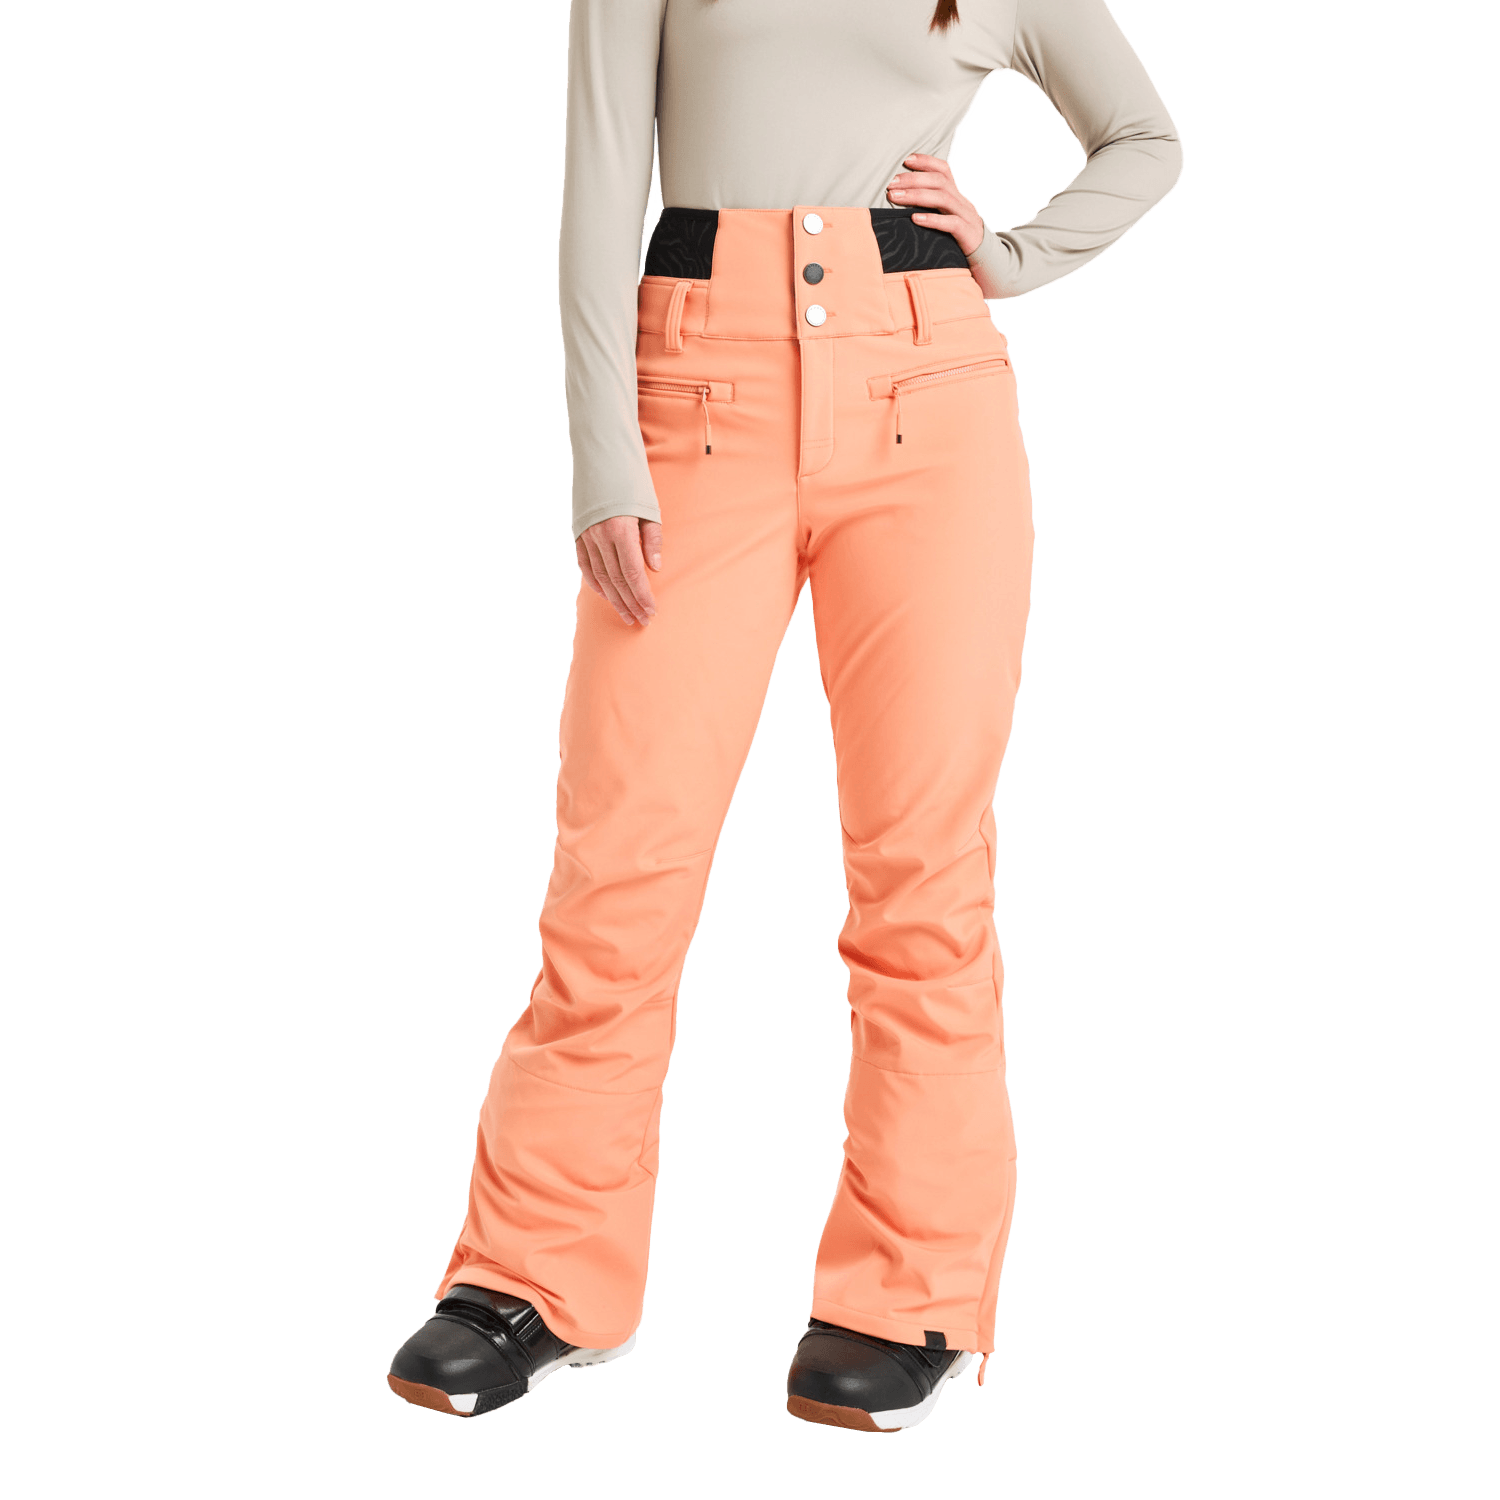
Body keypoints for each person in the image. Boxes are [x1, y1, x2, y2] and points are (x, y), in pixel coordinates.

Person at [388, 0, 1183, 1434]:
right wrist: (602, 456)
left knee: (922, 875)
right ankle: (539, 1278)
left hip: (928, 397)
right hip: (695, 391)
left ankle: (908, 1292)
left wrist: (1010, 256)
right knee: (620, 863)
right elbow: (599, 178)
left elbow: (1145, 139)